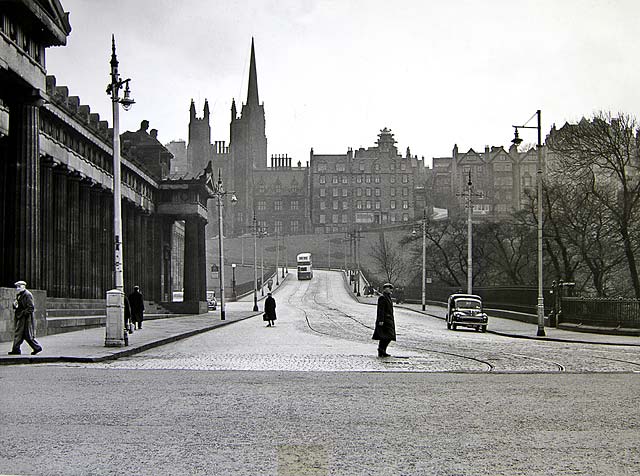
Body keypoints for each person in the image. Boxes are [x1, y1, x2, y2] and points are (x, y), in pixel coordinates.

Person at [8, 281, 42, 355]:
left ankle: (36, 347)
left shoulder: (27, 295)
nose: (18, 288)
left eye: (19, 286)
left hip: (26, 319)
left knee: (26, 334)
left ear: (24, 286)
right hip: (22, 317)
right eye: (17, 287)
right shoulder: (19, 295)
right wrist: (15, 305)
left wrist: (22, 313)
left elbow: (31, 308)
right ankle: (16, 349)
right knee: (20, 334)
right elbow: (18, 305)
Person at [372, 282, 396, 358]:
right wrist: (381, 320)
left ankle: (382, 350)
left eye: (391, 289)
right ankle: (381, 350)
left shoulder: (388, 297)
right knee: (386, 336)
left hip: (389, 319)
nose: (390, 290)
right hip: (385, 320)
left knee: (386, 336)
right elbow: (381, 310)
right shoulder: (382, 297)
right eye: (389, 288)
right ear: (385, 289)